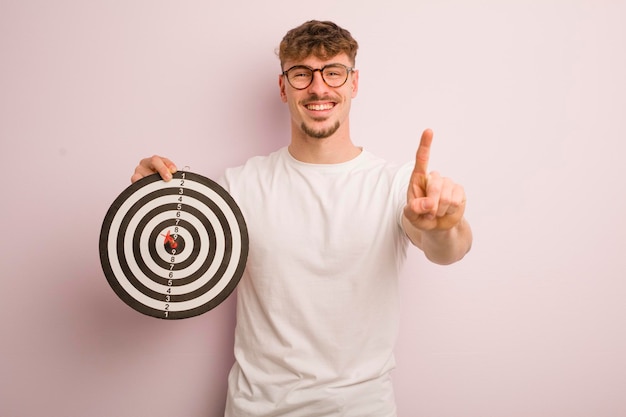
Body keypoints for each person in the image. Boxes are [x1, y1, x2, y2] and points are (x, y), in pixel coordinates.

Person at [131, 20, 472, 417]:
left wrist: (445, 227)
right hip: (256, 409)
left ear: (353, 83)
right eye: (301, 73)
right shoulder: (240, 186)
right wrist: (150, 201)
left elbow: (448, 250)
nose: (319, 87)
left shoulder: (395, 186)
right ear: (283, 87)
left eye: (333, 72)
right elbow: (170, 261)